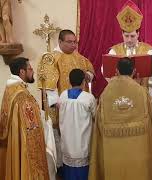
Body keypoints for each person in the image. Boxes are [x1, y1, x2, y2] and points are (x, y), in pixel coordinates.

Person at [89, 57, 152, 180]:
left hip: (113, 148)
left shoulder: (106, 93)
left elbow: (99, 121)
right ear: (133, 71)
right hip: (138, 146)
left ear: (116, 71)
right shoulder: (141, 92)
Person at [37, 29, 95, 173]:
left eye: (75, 42)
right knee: (64, 141)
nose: (74, 45)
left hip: (81, 110)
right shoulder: (51, 58)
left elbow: (89, 69)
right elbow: (49, 87)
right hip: (63, 108)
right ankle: (62, 169)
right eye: (70, 42)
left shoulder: (78, 57)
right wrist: (58, 104)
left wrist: (88, 74)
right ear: (60, 42)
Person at [0, 57, 49, 179]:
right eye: (30, 69)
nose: (33, 72)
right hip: (24, 143)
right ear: (22, 71)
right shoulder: (22, 95)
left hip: (15, 140)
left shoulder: (10, 88)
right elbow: (32, 128)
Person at [105, 0, 152, 104]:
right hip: (121, 93)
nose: (129, 40)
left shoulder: (148, 50)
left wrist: (139, 80)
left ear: (138, 34)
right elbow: (107, 72)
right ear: (122, 34)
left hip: (143, 92)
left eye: (132, 36)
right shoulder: (114, 51)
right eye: (126, 36)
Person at [58, 69, 96, 180]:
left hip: (67, 144)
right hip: (82, 144)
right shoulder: (89, 98)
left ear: (69, 81)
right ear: (84, 81)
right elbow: (96, 117)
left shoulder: (63, 96)